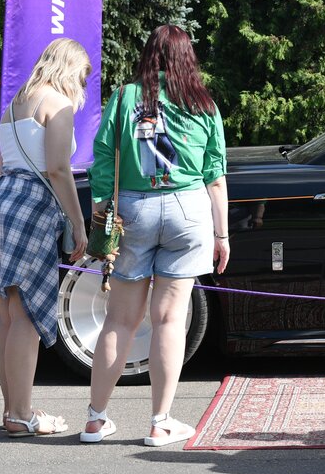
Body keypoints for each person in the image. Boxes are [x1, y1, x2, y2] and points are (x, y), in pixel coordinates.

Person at [80, 25, 229, 447]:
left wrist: (103, 210)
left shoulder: (126, 96)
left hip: (134, 209)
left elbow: (103, 154)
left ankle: (95, 420)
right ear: (187, 58)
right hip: (188, 211)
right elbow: (215, 175)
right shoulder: (203, 103)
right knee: (170, 320)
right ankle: (160, 423)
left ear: (148, 56)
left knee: (119, 320)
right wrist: (222, 236)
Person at [0, 38, 90, 436]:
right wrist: (78, 223)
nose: (82, 85)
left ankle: (13, 409)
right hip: (33, 204)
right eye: (82, 76)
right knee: (25, 316)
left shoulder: (15, 104)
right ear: (69, 69)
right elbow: (58, 168)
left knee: (5, 312)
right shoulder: (58, 103)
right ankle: (22, 414)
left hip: (2, 199)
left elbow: (7, 163)